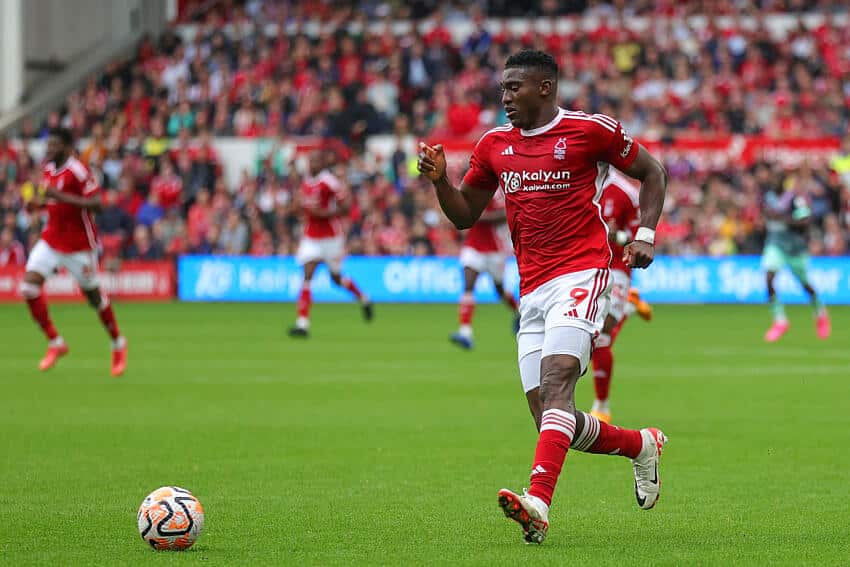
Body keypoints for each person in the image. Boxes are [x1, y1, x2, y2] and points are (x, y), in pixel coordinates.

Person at [417, 50, 668, 544]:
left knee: (558, 385)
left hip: (584, 272)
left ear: (545, 88)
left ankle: (538, 503)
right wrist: (440, 181)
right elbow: (466, 214)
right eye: (503, 89)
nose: (505, 97)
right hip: (531, 285)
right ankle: (641, 445)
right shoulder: (494, 145)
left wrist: (647, 234)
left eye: (515, 88)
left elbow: (653, 171)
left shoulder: (589, 131)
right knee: (550, 418)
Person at [20, 127, 128, 376]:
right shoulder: (48, 169)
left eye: (55, 145)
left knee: (94, 298)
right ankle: (56, 343)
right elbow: (54, 202)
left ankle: (117, 343)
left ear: (68, 147)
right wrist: (39, 205)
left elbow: (97, 204)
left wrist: (59, 195)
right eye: (49, 144)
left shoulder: (79, 170)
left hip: (79, 244)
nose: (49, 149)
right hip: (51, 238)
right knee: (28, 287)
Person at [590, 169, 654, 424]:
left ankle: (601, 407)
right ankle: (629, 305)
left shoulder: (625, 193)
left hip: (615, 269)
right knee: (588, 335)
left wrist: (614, 235)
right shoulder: (574, 179)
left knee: (602, 334)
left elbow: (639, 239)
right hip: (583, 268)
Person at [289, 150, 373, 338]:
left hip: (331, 237)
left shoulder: (329, 182)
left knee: (336, 279)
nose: (312, 165)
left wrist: (324, 214)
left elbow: (345, 207)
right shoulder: (305, 183)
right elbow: (298, 207)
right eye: (310, 161)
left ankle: (364, 298)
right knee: (307, 274)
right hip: (311, 236)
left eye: (315, 161)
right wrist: (296, 209)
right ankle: (302, 323)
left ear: (321, 164)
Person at [762, 176, 830, 342]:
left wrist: (784, 219)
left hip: (796, 248)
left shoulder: (795, 199)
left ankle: (820, 314)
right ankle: (780, 320)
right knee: (769, 277)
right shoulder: (769, 199)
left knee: (805, 285)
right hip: (776, 244)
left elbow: (805, 221)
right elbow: (767, 217)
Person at [450, 189, 519, 350]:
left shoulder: (497, 192)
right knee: (468, 286)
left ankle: (519, 311)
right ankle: (465, 333)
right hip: (473, 245)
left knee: (500, 290)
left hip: (495, 249)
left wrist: (479, 217)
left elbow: (505, 213)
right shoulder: (468, 190)